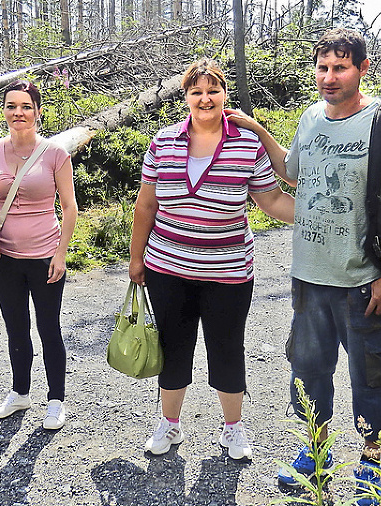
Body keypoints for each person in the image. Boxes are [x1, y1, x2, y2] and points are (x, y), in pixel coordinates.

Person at [226, 28, 381, 503]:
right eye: (323, 68)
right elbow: (290, 171)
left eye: (341, 67)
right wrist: (257, 131)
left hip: (363, 279)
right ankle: (317, 452)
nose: (330, 77)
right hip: (309, 277)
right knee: (309, 369)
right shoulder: (311, 117)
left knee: (372, 372)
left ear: (362, 69)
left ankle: (373, 462)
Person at [129, 58, 295, 461]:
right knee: (173, 348)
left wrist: (319, 214)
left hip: (229, 272)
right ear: (185, 97)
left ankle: (233, 429)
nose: (205, 99)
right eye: (196, 92)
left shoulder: (246, 142)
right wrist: (136, 261)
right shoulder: (163, 142)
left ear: (225, 95)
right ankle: (169, 425)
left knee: (227, 347)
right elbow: (146, 205)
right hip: (168, 268)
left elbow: (271, 199)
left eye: (213, 90)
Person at [0, 80, 78, 430]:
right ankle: (20, 392)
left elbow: (69, 207)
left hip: (45, 257)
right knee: (15, 327)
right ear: (4, 111)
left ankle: (56, 400)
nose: (18, 113)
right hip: (5, 257)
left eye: (25, 106)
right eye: (11, 106)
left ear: (38, 112)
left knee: (48, 327)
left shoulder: (55, 153)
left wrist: (61, 253)